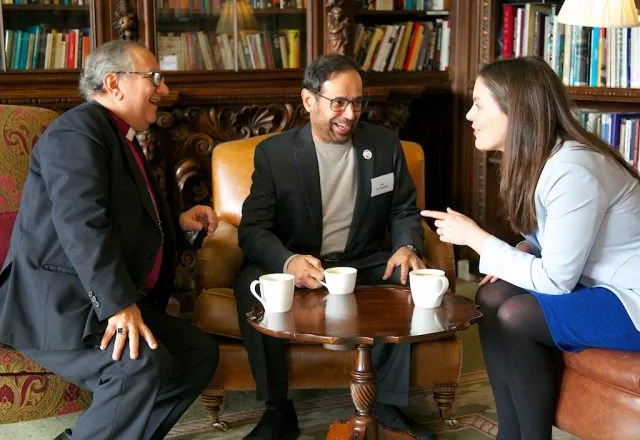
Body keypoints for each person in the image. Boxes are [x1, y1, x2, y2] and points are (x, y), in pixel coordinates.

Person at [0, 40, 219, 440]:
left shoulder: (120, 136)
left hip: (97, 298)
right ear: (113, 82)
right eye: (154, 78)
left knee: (196, 353)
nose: (165, 90)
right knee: (136, 366)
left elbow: (126, 219)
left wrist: (180, 222)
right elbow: (81, 222)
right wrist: (118, 304)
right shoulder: (76, 130)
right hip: (57, 305)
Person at [422, 56, 640, 439]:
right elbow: (554, 241)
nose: (470, 116)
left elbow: (556, 280)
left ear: (515, 111)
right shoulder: (543, 160)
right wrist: (523, 248)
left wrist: (476, 237)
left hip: (632, 299)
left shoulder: (573, 169)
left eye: (479, 104)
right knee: (490, 295)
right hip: (598, 285)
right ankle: (511, 433)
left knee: (518, 315)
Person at [235, 54, 436, 440]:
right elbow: (254, 229)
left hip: (363, 260)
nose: (350, 113)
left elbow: (403, 208)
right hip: (301, 264)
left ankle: (387, 404)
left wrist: (407, 244)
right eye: (338, 103)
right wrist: (288, 260)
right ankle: (277, 408)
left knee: (409, 279)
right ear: (309, 101)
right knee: (250, 285)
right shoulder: (274, 154)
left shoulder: (384, 144)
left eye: (357, 102)